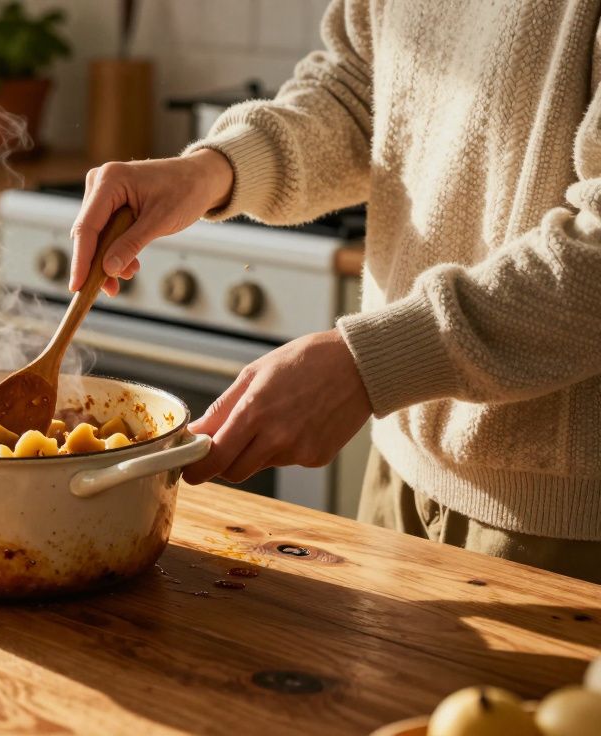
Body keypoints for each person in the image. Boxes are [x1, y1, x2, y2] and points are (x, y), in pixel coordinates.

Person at [68, 0, 601, 582]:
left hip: (562, 520)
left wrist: (367, 364)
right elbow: (355, 96)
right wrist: (212, 170)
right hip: (398, 466)